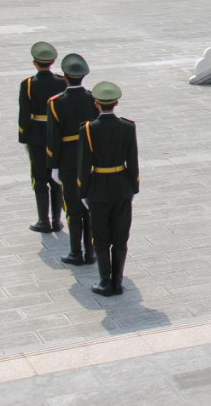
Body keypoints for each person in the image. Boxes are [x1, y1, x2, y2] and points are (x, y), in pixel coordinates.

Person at [79, 82, 139, 297]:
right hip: (122, 186)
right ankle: (118, 282)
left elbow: (84, 165)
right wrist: (133, 187)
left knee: (101, 238)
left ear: (96, 104)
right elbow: (133, 161)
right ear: (116, 103)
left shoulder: (87, 129)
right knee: (121, 238)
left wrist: (83, 191)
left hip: (98, 188)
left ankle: (105, 282)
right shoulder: (128, 127)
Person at [45, 53, 99, 265]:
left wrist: (53, 165)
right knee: (90, 208)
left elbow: (53, 139)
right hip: (90, 160)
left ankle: (76, 252)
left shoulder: (56, 103)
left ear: (65, 77)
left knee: (73, 209)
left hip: (68, 162)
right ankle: (91, 251)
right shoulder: (93, 99)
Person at [18, 42, 67, 233]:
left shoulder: (28, 84)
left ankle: (43, 220)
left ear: (34, 63)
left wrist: (24, 136)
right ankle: (56, 220)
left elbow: (24, 114)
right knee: (56, 178)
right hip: (57, 136)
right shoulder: (62, 81)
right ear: (53, 61)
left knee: (39, 179)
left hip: (37, 136)